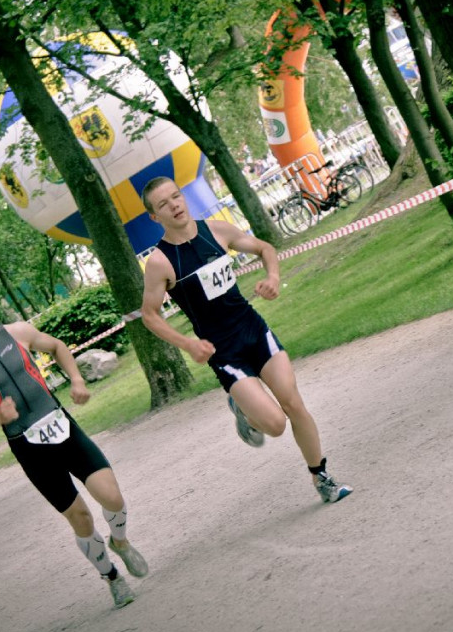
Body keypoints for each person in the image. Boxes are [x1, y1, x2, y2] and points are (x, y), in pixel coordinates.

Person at [140, 176, 353, 504]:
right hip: (224, 352)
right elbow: (149, 314)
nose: (174, 206)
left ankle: (320, 475)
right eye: (163, 204)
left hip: (254, 330)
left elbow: (265, 248)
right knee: (275, 424)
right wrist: (188, 344)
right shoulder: (160, 262)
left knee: (294, 404)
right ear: (155, 216)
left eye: (176, 196)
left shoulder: (217, 231)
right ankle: (242, 408)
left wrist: (273, 277)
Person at [0, 282, 146, 609]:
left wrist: (76, 380)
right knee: (81, 518)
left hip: (62, 426)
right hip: (29, 449)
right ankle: (111, 576)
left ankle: (120, 543)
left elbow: (57, 346)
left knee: (112, 495)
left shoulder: (17, 331)